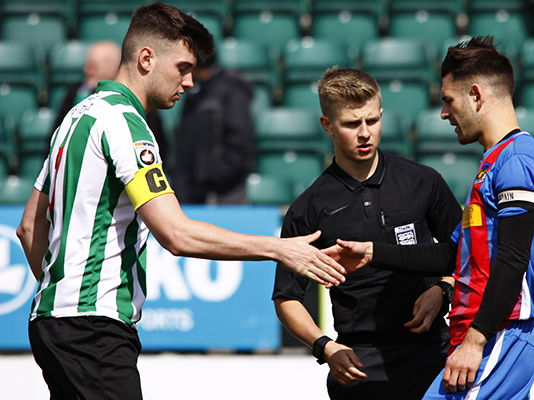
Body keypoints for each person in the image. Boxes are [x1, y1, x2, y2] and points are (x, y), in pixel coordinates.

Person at [16, 3, 348, 399]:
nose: (190, 81)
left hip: (52, 322)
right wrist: (279, 249)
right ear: (146, 58)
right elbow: (175, 233)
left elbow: (28, 227)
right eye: (183, 67)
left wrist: (64, 297)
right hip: (94, 329)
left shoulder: (75, 117)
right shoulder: (126, 123)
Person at [324, 36, 534, 399]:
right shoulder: (496, 163)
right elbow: (450, 254)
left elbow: (513, 260)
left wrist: (476, 341)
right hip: (488, 334)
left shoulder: (517, 162)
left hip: (498, 336)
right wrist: (374, 251)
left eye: (449, 101)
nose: (444, 114)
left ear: (476, 95)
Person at [271, 67, 463, 400]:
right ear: (327, 126)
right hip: (359, 364)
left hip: (434, 353)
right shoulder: (309, 207)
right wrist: (325, 347)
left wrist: (442, 291)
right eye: (351, 124)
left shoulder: (423, 181)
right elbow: (287, 297)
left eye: (372, 121)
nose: (365, 133)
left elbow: (467, 255)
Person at [51, 40, 169, 157]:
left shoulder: (137, 101)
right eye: (87, 66)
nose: (87, 71)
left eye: (93, 67)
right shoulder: (75, 94)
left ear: (114, 68)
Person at [173, 53, 254, 204]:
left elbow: (240, 141)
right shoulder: (194, 94)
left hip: (224, 194)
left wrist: (212, 176)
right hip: (192, 192)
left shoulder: (232, 91)